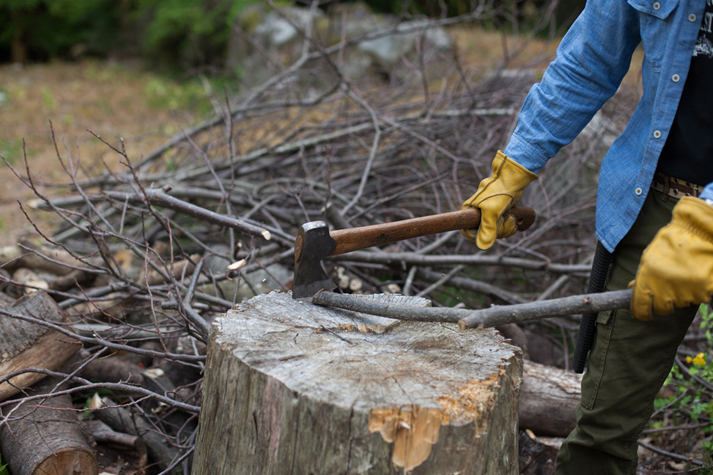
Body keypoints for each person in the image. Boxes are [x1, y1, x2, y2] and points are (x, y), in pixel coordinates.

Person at [461, 1, 713, 474]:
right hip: (652, 203)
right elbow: (590, 59)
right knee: (603, 432)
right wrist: (516, 165)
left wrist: (706, 224)